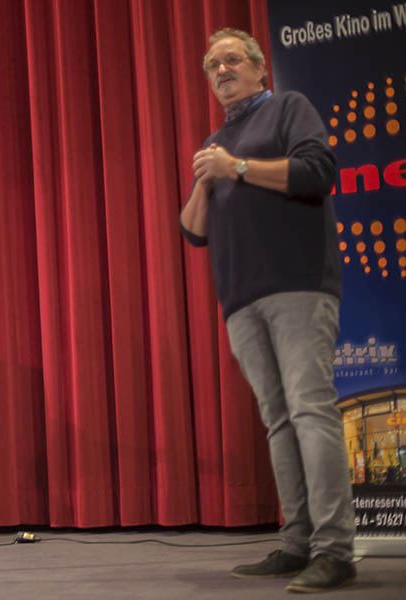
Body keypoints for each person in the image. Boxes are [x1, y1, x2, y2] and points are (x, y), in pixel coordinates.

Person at [180, 28, 356, 593]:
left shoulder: (287, 108)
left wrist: (237, 168)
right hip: (240, 301)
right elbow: (193, 233)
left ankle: (335, 550)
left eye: (232, 60)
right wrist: (207, 180)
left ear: (259, 69)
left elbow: (318, 172)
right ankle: (296, 541)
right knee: (278, 420)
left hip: (297, 285)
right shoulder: (217, 141)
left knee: (310, 410)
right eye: (212, 65)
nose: (221, 70)